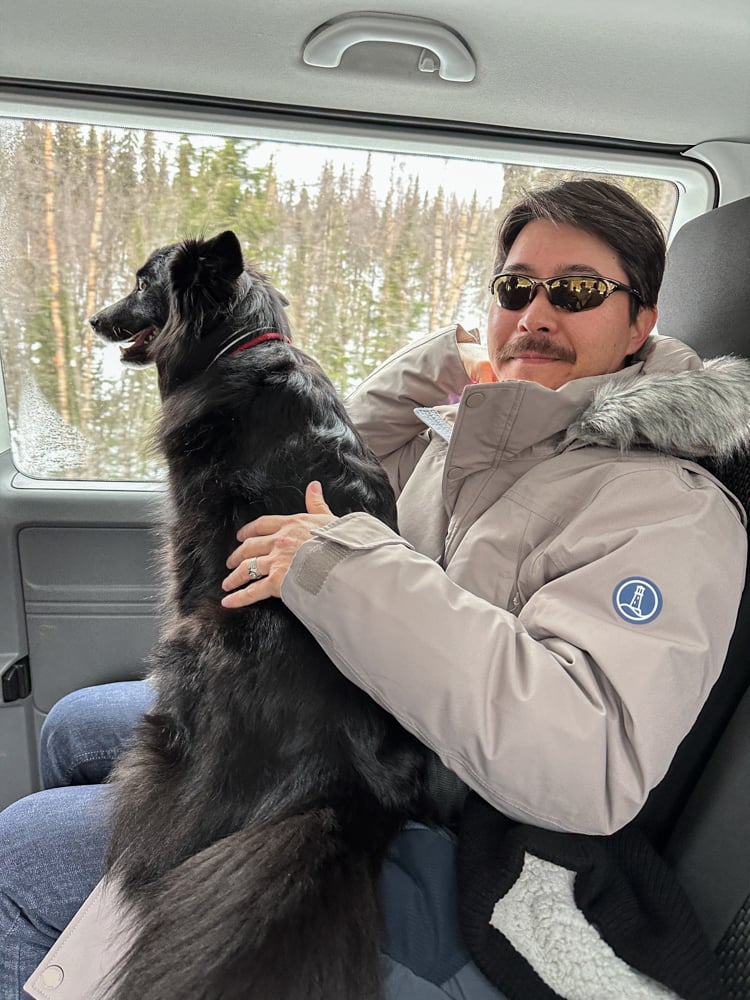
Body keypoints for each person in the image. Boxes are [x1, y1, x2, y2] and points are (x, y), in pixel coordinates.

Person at [2, 179, 749, 1000]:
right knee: (76, 727)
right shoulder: (495, 436)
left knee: (22, 858)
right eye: (513, 289)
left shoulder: (672, 510)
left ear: (642, 321)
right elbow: (328, 459)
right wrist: (454, 362)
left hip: (458, 827)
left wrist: (345, 571)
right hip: (369, 730)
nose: (535, 313)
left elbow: (586, 762)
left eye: (574, 291)